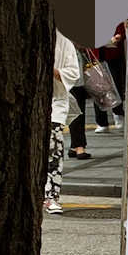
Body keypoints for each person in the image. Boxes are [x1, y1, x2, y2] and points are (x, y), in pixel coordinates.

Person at [48, 31, 82, 214]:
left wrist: (52, 70)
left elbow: (73, 72)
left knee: (54, 149)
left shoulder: (63, 40)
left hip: (56, 102)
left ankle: (51, 196)